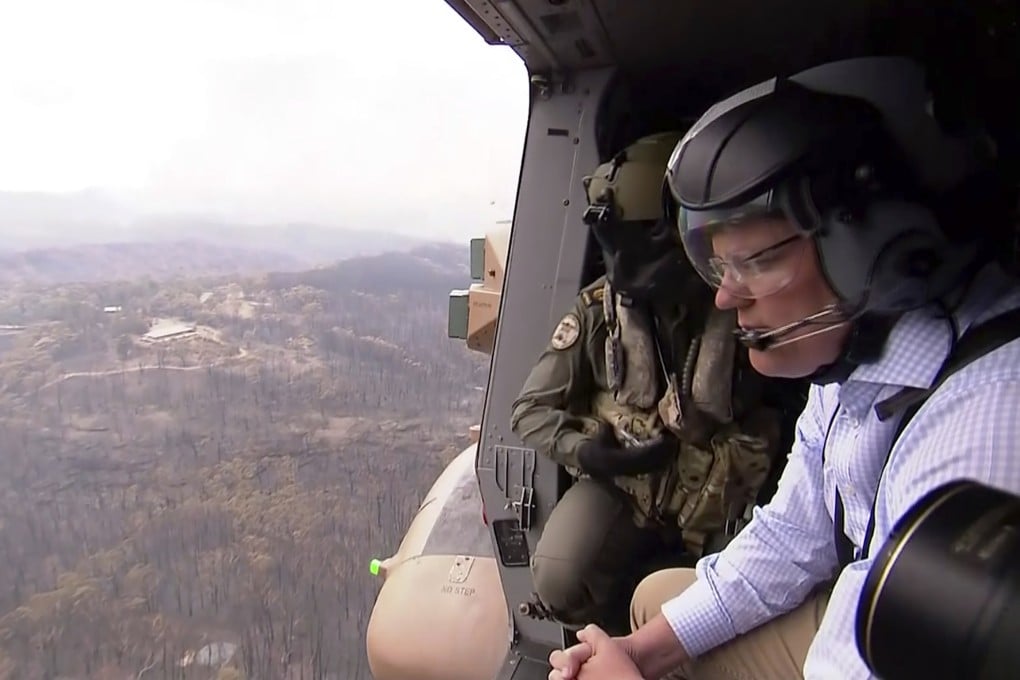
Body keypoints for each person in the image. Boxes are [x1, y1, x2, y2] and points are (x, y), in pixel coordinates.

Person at [548, 56, 1020, 679]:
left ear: (873, 248)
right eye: (720, 268)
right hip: (868, 595)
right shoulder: (855, 355)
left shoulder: (982, 437)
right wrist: (640, 654)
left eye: (753, 262)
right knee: (656, 602)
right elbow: (791, 534)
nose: (725, 296)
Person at [511, 132, 786, 635]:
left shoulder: (746, 304)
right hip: (628, 492)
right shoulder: (601, 312)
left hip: (723, 501)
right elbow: (530, 411)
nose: (623, 264)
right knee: (559, 576)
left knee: (742, 615)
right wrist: (592, 454)